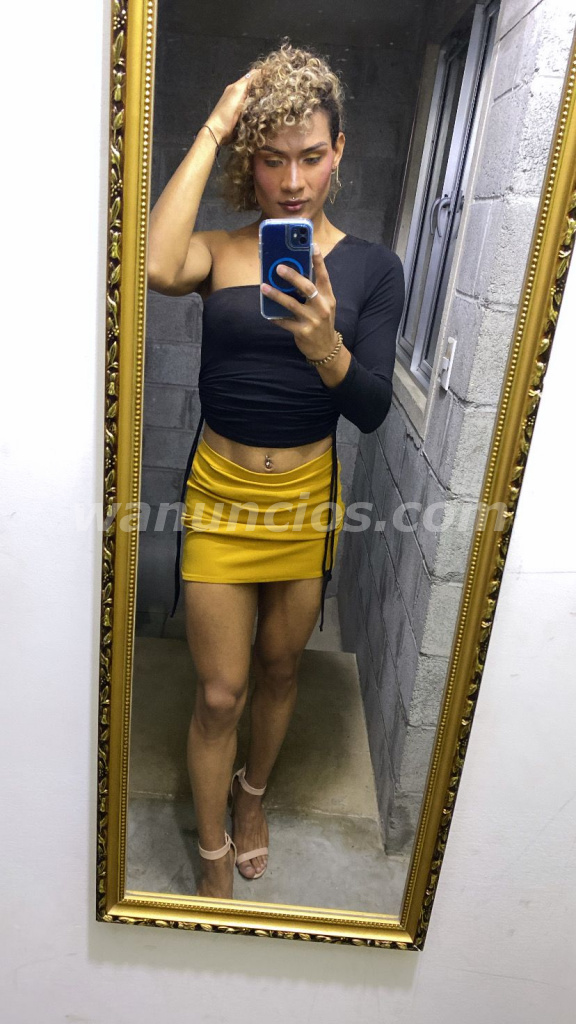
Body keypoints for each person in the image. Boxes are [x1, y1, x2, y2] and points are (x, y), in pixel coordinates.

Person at [147, 39, 405, 899]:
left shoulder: (372, 269)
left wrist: (324, 342)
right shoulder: (221, 251)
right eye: (271, 159)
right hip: (220, 495)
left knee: (282, 669)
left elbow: (371, 408)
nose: (293, 182)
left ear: (339, 153)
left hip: (304, 500)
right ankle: (213, 849)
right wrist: (216, 125)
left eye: (311, 157)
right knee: (221, 692)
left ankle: (252, 795)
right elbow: (155, 264)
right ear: (249, 163)